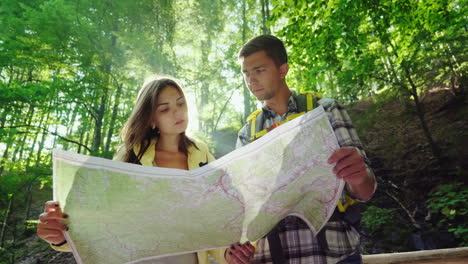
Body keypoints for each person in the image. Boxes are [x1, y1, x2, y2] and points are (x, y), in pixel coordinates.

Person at [36, 75, 254, 264]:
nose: (177, 112)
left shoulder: (202, 154)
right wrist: (61, 237)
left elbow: (210, 221)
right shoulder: (131, 156)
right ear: (151, 119)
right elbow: (104, 220)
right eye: (165, 109)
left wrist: (227, 254)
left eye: (180, 103)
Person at [234, 35, 377, 263]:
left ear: (283, 70)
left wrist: (359, 175)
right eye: (245, 73)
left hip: (334, 254)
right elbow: (245, 207)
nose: (251, 80)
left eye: (259, 70)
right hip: (271, 256)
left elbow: (365, 191)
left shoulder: (325, 110)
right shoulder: (247, 133)